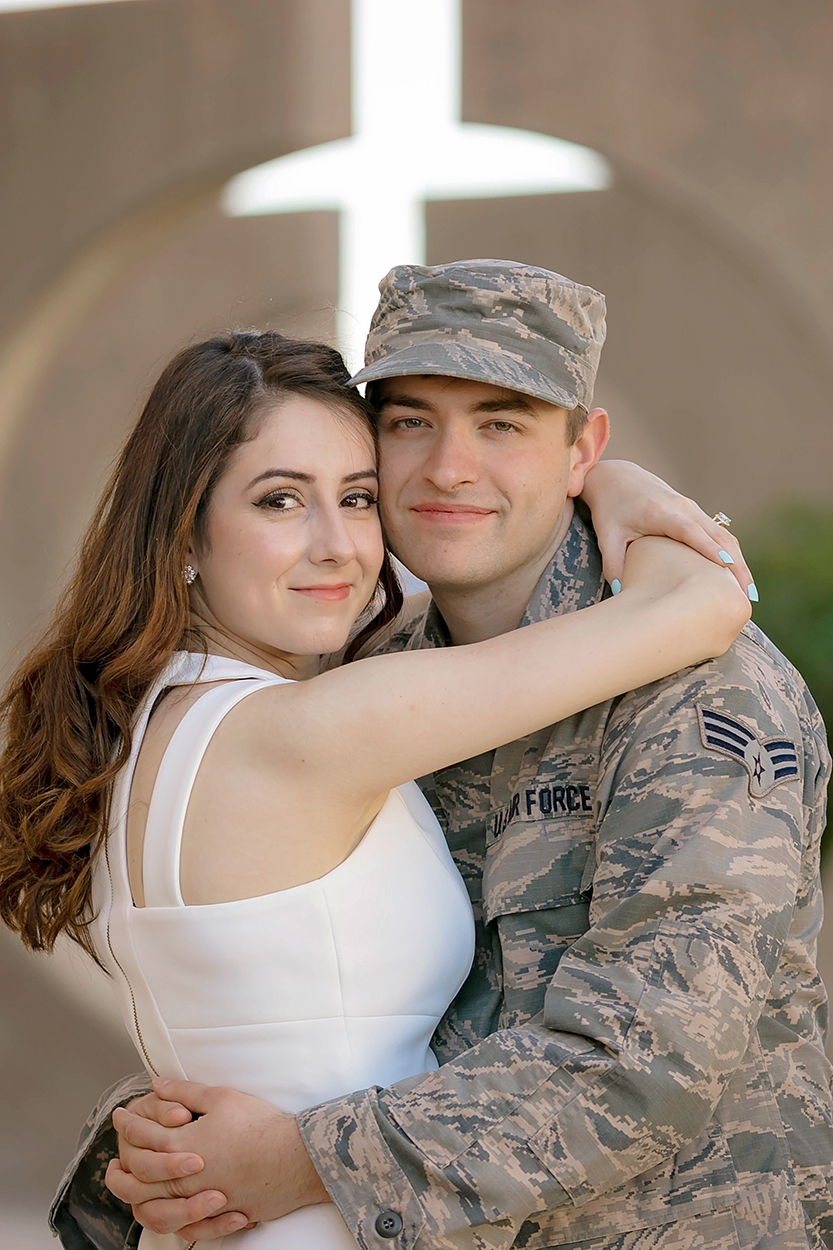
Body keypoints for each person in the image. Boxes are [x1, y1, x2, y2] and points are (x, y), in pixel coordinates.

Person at [46, 262, 831, 1249]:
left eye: (502, 422)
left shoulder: (698, 690)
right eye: (411, 421)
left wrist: (292, 1155)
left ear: (580, 447)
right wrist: (188, 1147)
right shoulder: (373, 674)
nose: (448, 466)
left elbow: (648, 1061)